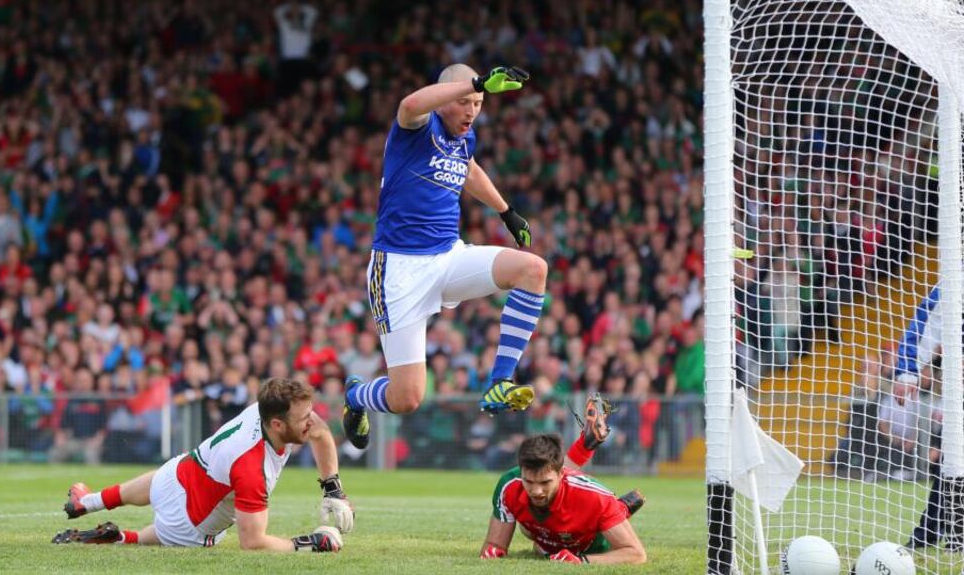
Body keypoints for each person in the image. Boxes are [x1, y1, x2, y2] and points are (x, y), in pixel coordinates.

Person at [343, 64, 548, 449]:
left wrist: (506, 211)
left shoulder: (462, 137)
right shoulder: (416, 127)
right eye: (464, 102)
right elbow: (409, 103)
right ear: (445, 99)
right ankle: (356, 396)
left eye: (479, 103)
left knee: (533, 269)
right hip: (398, 269)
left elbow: (468, 171)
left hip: (448, 257)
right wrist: (476, 82)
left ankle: (499, 381)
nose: (472, 111)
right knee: (407, 398)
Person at [51, 378, 353, 552]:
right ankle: (123, 538)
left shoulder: (264, 409)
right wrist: (311, 543)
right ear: (276, 424)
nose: (311, 422)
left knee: (157, 481)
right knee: (162, 534)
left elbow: (321, 433)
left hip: (177, 474)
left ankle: (87, 503)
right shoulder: (252, 469)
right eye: (304, 418)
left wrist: (333, 489)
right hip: (189, 526)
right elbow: (253, 542)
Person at [479, 396, 647, 565]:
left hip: (588, 542)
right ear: (521, 471)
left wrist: (581, 560)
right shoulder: (510, 484)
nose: (536, 491)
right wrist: (493, 552)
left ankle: (619, 509)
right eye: (529, 482)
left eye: (545, 482)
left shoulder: (595, 497)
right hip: (545, 540)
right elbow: (494, 545)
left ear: (562, 474)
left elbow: (636, 554)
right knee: (530, 534)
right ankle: (586, 447)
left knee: (598, 506)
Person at [892, 285, 961, 549]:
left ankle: (937, 534)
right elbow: (926, 323)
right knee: (953, 462)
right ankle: (940, 534)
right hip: (958, 398)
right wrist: (908, 371)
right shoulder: (956, 282)